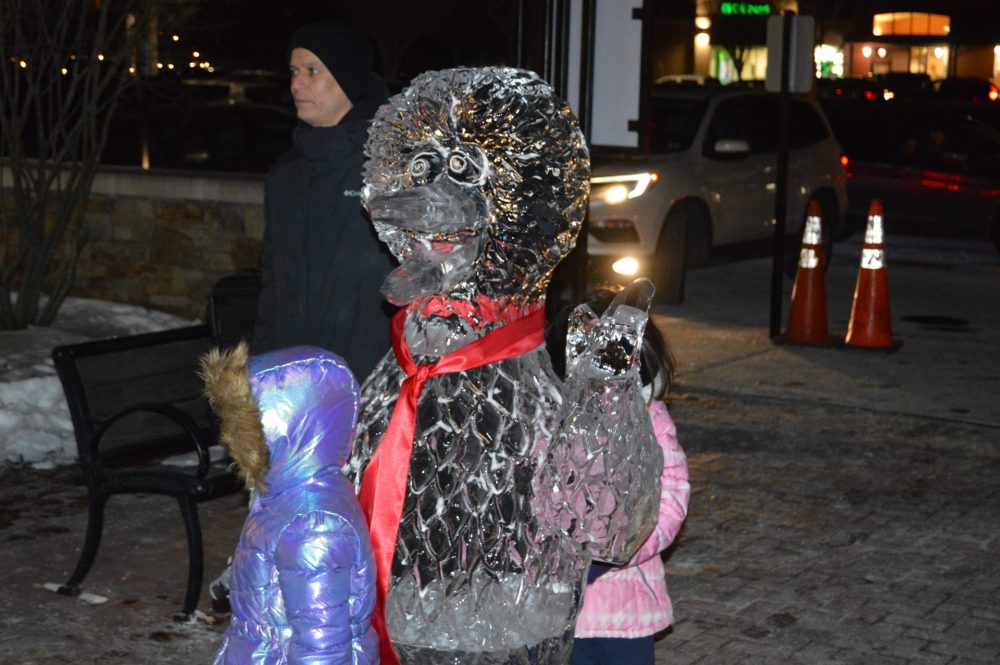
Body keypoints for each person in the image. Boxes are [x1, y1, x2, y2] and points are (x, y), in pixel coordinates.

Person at [201, 343, 378, 664]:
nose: (232, 437)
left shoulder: (314, 524)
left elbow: (322, 649)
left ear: (287, 425)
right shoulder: (285, 494)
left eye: (247, 427)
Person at [546, 288, 691, 665]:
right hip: (557, 608)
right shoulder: (553, 419)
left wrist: (622, 550)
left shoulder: (650, 417)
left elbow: (672, 495)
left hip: (625, 609)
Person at [252, 19, 397, 384]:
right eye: (294, 71)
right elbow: (273, 282)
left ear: (347, 77)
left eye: (312, 71)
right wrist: (263, 366)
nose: (296, 83)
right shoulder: (286, 173)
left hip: (372, 380)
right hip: (295, 377)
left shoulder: (390, 168)